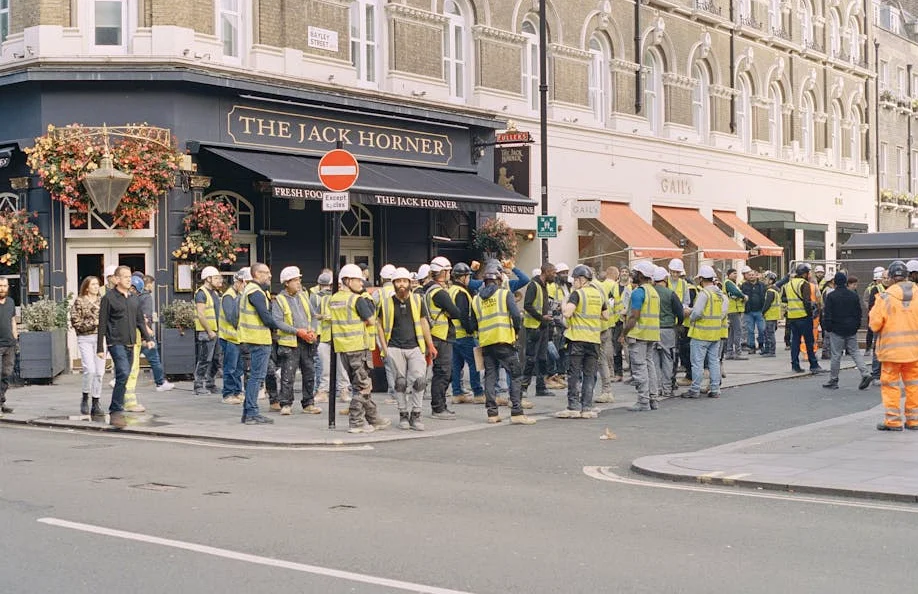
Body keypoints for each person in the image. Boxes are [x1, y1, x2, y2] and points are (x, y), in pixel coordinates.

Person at [471, 264, 536, 425]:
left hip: (486, 343)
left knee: (490, 377)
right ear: (499, 280)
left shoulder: (476, 299)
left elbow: (472, 324)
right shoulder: (504, 294)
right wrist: (515, 331)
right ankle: (517, 412)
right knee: (515, 374)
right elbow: (516, 315)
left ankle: (492, 414)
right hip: (504, 341)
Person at [330, 263, 390, 433]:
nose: (361, 284)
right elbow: (371, 320)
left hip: (343, 348)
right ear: (347, 280)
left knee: (363, 384)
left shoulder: (334, 299)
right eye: (357, 280)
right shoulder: (356, 300)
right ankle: (356, 422)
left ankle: (373, 418)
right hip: (358, 347)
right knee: (362, 386)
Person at [377, 267, 435, 430]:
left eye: (404, 281)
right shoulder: (387, 302)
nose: (401, 284)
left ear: (409, 283)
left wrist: (429, 344)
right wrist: (384, 347)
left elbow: (423, 322)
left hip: (415, 346)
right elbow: (379, 325)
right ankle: (403, 413)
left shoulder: (417, 300)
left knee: (419, 381)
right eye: (398, 281)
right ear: (394, 283)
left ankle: (416, 414)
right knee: (400, 383)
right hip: (394, 347)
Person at [96, 266, 154, 428]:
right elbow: (102, 323)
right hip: (115, 342)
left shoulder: (133, 298)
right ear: (116, 279)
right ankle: (116, 408)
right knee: (122, 371)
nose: (129, 279)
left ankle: (117, 405)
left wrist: (147, 338)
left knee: (125, 375)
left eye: (129, 276)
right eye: (125, 277)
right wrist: (100, 347)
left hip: (131, 343)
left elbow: (140, 322)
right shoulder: (109, 298)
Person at [869, 261, 918, 431]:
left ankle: (893, 421)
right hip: (914, 351)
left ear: (890, 278)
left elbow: (874, 324)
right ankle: (914, 420)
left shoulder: (885, 297)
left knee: (891, 385)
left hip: (891, 352)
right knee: (914, 385)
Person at [238, 262, 285, 425]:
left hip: (251, 338)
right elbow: (265, 317)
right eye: (266, 273)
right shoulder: (256, 292)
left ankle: (248, 412)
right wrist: (282, 327)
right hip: (257, 339)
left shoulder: (251, 290)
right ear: (257, 274)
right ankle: (251, 413)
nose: (269, 276)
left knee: (254, 377)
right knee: (256, 377)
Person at [272, 266, 321, 416]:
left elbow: (312, 316)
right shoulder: (279, 300)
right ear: (286, 283)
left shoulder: (303, 296)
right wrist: (297, 331)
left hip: (307, 341)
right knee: (288, 375)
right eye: (295, 280)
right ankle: (286, 404)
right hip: (290, 343)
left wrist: (312, 330)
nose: (299, 282)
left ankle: (308, 403)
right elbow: (278, 322)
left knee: (309, 373)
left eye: (299, 279)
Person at [424, 256, 464, 420]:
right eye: (448, 271)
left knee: (442, 371)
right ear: (443, 272)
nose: (449, 274)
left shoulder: (428, 289)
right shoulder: (439, 292)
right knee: (443, 372)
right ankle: (438, 408)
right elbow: (455, 312)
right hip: (441, 335)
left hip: (436, 335)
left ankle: (440, 406)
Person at [821, 272, 873, 390]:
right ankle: (865, 373)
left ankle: (833, 380)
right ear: (845, 282)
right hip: (851, 329)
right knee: (855, 352)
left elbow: (827, 314)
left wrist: (828, 327)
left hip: (836, 329)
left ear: (835, 282)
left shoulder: (831, 296)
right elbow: (858, 312)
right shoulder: (853, 295)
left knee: (836, 355)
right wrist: (856, 326)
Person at [620, 261, 660, 411]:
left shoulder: (639, 292)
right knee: (650, 366)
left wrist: (624, 333)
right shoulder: (653, 292)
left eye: (635, 272)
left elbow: (634, 316)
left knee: (640, 367)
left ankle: (643, 401)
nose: (632, 275)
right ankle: (653, 399)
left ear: (641, 275)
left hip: (639, 334)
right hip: (651, 333)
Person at [683, 266, 727, 399]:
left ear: (701, 279)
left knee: (697, 362)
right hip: (715, 333)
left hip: (701, 333)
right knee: (714, 361)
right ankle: (715, 388)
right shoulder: (718, 294)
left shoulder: (704, 293)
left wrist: (691, 318)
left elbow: (697, 312)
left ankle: (695, 389)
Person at [776, 263, 825, 374]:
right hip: (804, 317)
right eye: (808, 273)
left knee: (795, 342)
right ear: (804, 274)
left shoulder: (788, 284)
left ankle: (795, 365)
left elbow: (784, 299)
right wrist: (810, 314)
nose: (809, 275)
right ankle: (813, 364)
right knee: (809, 341)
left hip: (792, 317)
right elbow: (806, 301)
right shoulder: (804, 284)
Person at [448, 262, 484, 404]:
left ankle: (457, 393)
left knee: (457, 365)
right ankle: (478, 393)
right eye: (468, 276)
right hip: (464, 335)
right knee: (475, 363)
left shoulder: (451, 290)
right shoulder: (461, 293)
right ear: (462, 278)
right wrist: (471, 329)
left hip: (453, 335)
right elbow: (463, 315)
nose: (469, 279)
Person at [71, 276, 106, 417]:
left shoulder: (102, 301)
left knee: (99, 372)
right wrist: (93, 323)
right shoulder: (79, 301)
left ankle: (96, 402)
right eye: (93, 284)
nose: (96, 287)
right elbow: (75, 321)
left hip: (100, 338)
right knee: (89, 369)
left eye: (97, 284)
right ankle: (85, 396)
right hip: (85, 338)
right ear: (86, 287)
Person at [313, 271, 351, 403]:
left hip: (341, 339)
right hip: (326, 338)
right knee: (324, 368)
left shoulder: (348, 299)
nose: (337, 288)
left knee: (342, 369)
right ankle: (323, 391)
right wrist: (323, 317)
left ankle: (344, 391)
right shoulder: (324, 299)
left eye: (339, 285)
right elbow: (315, 315)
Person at [521, 262, 556, 398]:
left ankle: (540, 387)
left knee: (542, 358)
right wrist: (541, 317)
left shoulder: (544, 286)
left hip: (542, 327)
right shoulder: (533, 285)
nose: (554, 275)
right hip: (534, 327)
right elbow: (527, 305)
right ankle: (524, 387)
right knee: (531, 359)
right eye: (553, 272)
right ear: (546, 271)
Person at [651, 266, 684, 402]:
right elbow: (680, 312)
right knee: (667, 359)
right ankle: (666, 388)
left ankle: (656, 388)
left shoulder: (650, 292)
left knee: (653, 361)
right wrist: (679, 324)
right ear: (665, 279)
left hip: (651, 330)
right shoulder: (670, 293)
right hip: (667, 330)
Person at [219, 268, 248, 405]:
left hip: (238, 338)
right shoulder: (229, 296)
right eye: (244, 283)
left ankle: (237, 391)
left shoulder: (237, 295)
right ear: (238, 282)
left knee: (238, 367)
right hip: (229, 337)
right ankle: (228, 393)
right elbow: (232, 317)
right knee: (230, 367)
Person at [193, 266, 223, 396]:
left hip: (216, 331)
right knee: (204, 359)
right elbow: (201, 314)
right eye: (216, 278)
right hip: (207, 332)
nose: (219, 280)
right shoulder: (201, 293)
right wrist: (209, 331)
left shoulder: (215, 293)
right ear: (208, 278)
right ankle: (198, 385)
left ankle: (211, 383)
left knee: (216, 359)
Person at [723, 268, 748, 359]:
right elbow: (735, 292)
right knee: (738, 331)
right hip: (732, 310)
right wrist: (743, 296)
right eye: (734, 273)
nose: (736, 275)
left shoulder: (732, 283)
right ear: (728, 274)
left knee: (732, 332)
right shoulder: (728, 283)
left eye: (736, 273)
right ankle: (738, 352)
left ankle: (729, 352)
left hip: (734, 310)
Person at [740, 266, 765, 354]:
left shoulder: (762, 285)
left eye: (753, 275)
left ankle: (761, 344)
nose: (751, 276)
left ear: (756, 276)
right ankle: (752, 347)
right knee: (750, 331)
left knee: (761, 329)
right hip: (748, 311)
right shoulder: (744, 285)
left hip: (760, 311)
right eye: (750, 275)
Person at [863, 266, 886, 354]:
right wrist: (871, 310)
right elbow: (866, 300)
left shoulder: (887, 287)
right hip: (872, 312)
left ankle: (875, 349)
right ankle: (868, 348)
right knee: (870, 331)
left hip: (881, 313)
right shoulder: (870, 289)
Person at [760, 272, 781, 357]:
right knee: (768, 332)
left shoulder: (770, 291)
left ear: (771, 281)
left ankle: (771, 352)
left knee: (770, 333)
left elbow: (767, 304)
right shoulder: (774, 290)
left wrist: (763, 312)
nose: (765, 280)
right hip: (772, 315)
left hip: (770, 315)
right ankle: (768, 350)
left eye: (766, 279)